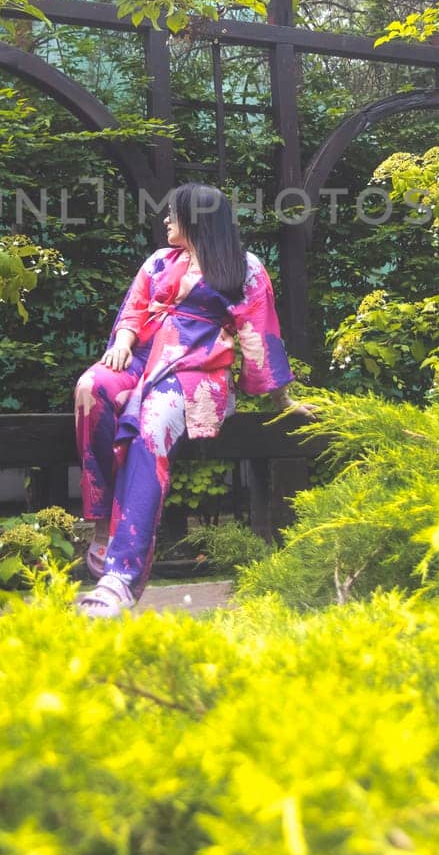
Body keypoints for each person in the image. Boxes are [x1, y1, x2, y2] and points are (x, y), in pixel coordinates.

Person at [72, 183, 307, 617]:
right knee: (92, 389)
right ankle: (104, 519)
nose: (166, 221)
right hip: (140, 357)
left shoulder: (245, 268)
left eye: (173, 214)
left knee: (151, 424)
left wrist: (283, 400)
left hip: (196, 370)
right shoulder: (158, 262)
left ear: (196, 218)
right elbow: (133, 310)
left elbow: (259, 338)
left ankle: (120, 578)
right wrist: (122, 342)